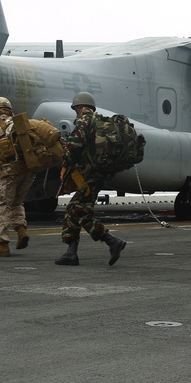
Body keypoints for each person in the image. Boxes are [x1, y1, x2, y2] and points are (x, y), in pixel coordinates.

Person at [54, 92, 127, 267]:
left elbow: (76, 144)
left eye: (75, 109)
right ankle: (72, 252)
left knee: (78, 210)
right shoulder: (99, 121)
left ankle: (111, 241)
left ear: (78, 107)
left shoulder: (84, 120)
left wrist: (65, 163)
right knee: (76, 209)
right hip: (99, 173)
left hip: (90, 174)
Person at [0, 97, 37, 257]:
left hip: (10, 171)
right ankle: (20, 229)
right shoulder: (22, 124)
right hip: (29, 171)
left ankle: (2, 244)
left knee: (2, 203)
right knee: (17, 201)